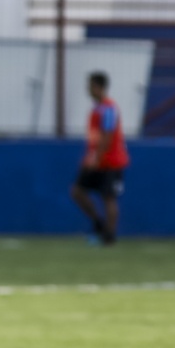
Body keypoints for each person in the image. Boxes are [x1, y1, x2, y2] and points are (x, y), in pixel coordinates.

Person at [70, 71, 129, 245]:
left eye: (89, 85)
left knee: (108, 197)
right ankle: (98, 223)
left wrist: (97, 157)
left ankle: (109, 235)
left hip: (110, 161)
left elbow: (107, 136)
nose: (87, 89)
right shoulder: (96, 108)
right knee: (77, 191)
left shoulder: (109, 108)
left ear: (98, 87)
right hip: (95, 159)